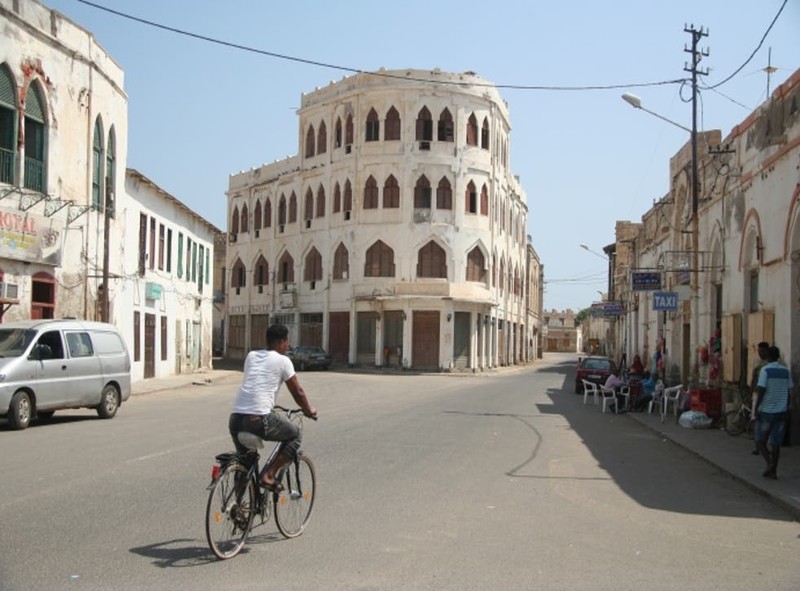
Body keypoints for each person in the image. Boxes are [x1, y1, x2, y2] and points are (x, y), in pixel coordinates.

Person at [228, 324, 317, 491]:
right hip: (258, 418)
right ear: (282, 342)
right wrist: (308, 409)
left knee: (245, 462)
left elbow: (255, 383)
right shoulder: (284, 361)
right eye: (286, 343)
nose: (287, 346)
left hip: (235, 418)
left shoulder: (251, 356)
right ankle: (269, 476)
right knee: (295, 435)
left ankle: (238, 508)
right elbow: (297, 392)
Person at [753, 346, 793, 479]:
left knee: (760, 440)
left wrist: (756, 408)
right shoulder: (786, 371)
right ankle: (774, 471)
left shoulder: (766, 370)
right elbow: (789, 392)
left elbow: (761, 390)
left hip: (766, 410)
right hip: (782, 411)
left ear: (768, 357)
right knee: (776, 443)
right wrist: (788, 407)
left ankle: (769, 463)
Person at [748, 341, 770, 455]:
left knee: (765, 420)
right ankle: (758, 446)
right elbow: (753, 378)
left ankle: (763, 444)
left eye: (762, 351)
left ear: (767, 350)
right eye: (759, 351)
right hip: (757, 393)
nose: (760, 353)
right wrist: (751, 392)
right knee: (756, 419)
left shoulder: (770, 363)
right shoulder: (757, 363)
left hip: (768, 394)